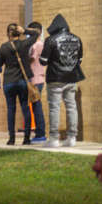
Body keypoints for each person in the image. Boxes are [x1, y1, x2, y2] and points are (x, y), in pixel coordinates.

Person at [40, 13, 85, 147]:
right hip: (72, 78)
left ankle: (54, 139)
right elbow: (80, 60)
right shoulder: (77, 39)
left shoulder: (51, 40)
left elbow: (43, 61)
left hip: (55, 78)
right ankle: (72, 137)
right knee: (71, 107)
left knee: (54, 107)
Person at [0, 22, 39, 145]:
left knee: (11, 110)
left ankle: (11, 139)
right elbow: (36, 33)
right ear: (18, 33)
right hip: (22, 81)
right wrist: (25, 31)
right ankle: (26, 138)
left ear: (7, 34)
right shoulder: (24, 44)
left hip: (9, 82)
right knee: (25, 108)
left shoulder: (4, 47)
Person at [27, 21, 48, 143]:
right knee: (36, 106)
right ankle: (39, 132)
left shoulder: (37, 45)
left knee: (37, 106)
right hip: (38, 77)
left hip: (36, 78)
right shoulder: (40, 44)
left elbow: (30, 59)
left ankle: (40, 133)